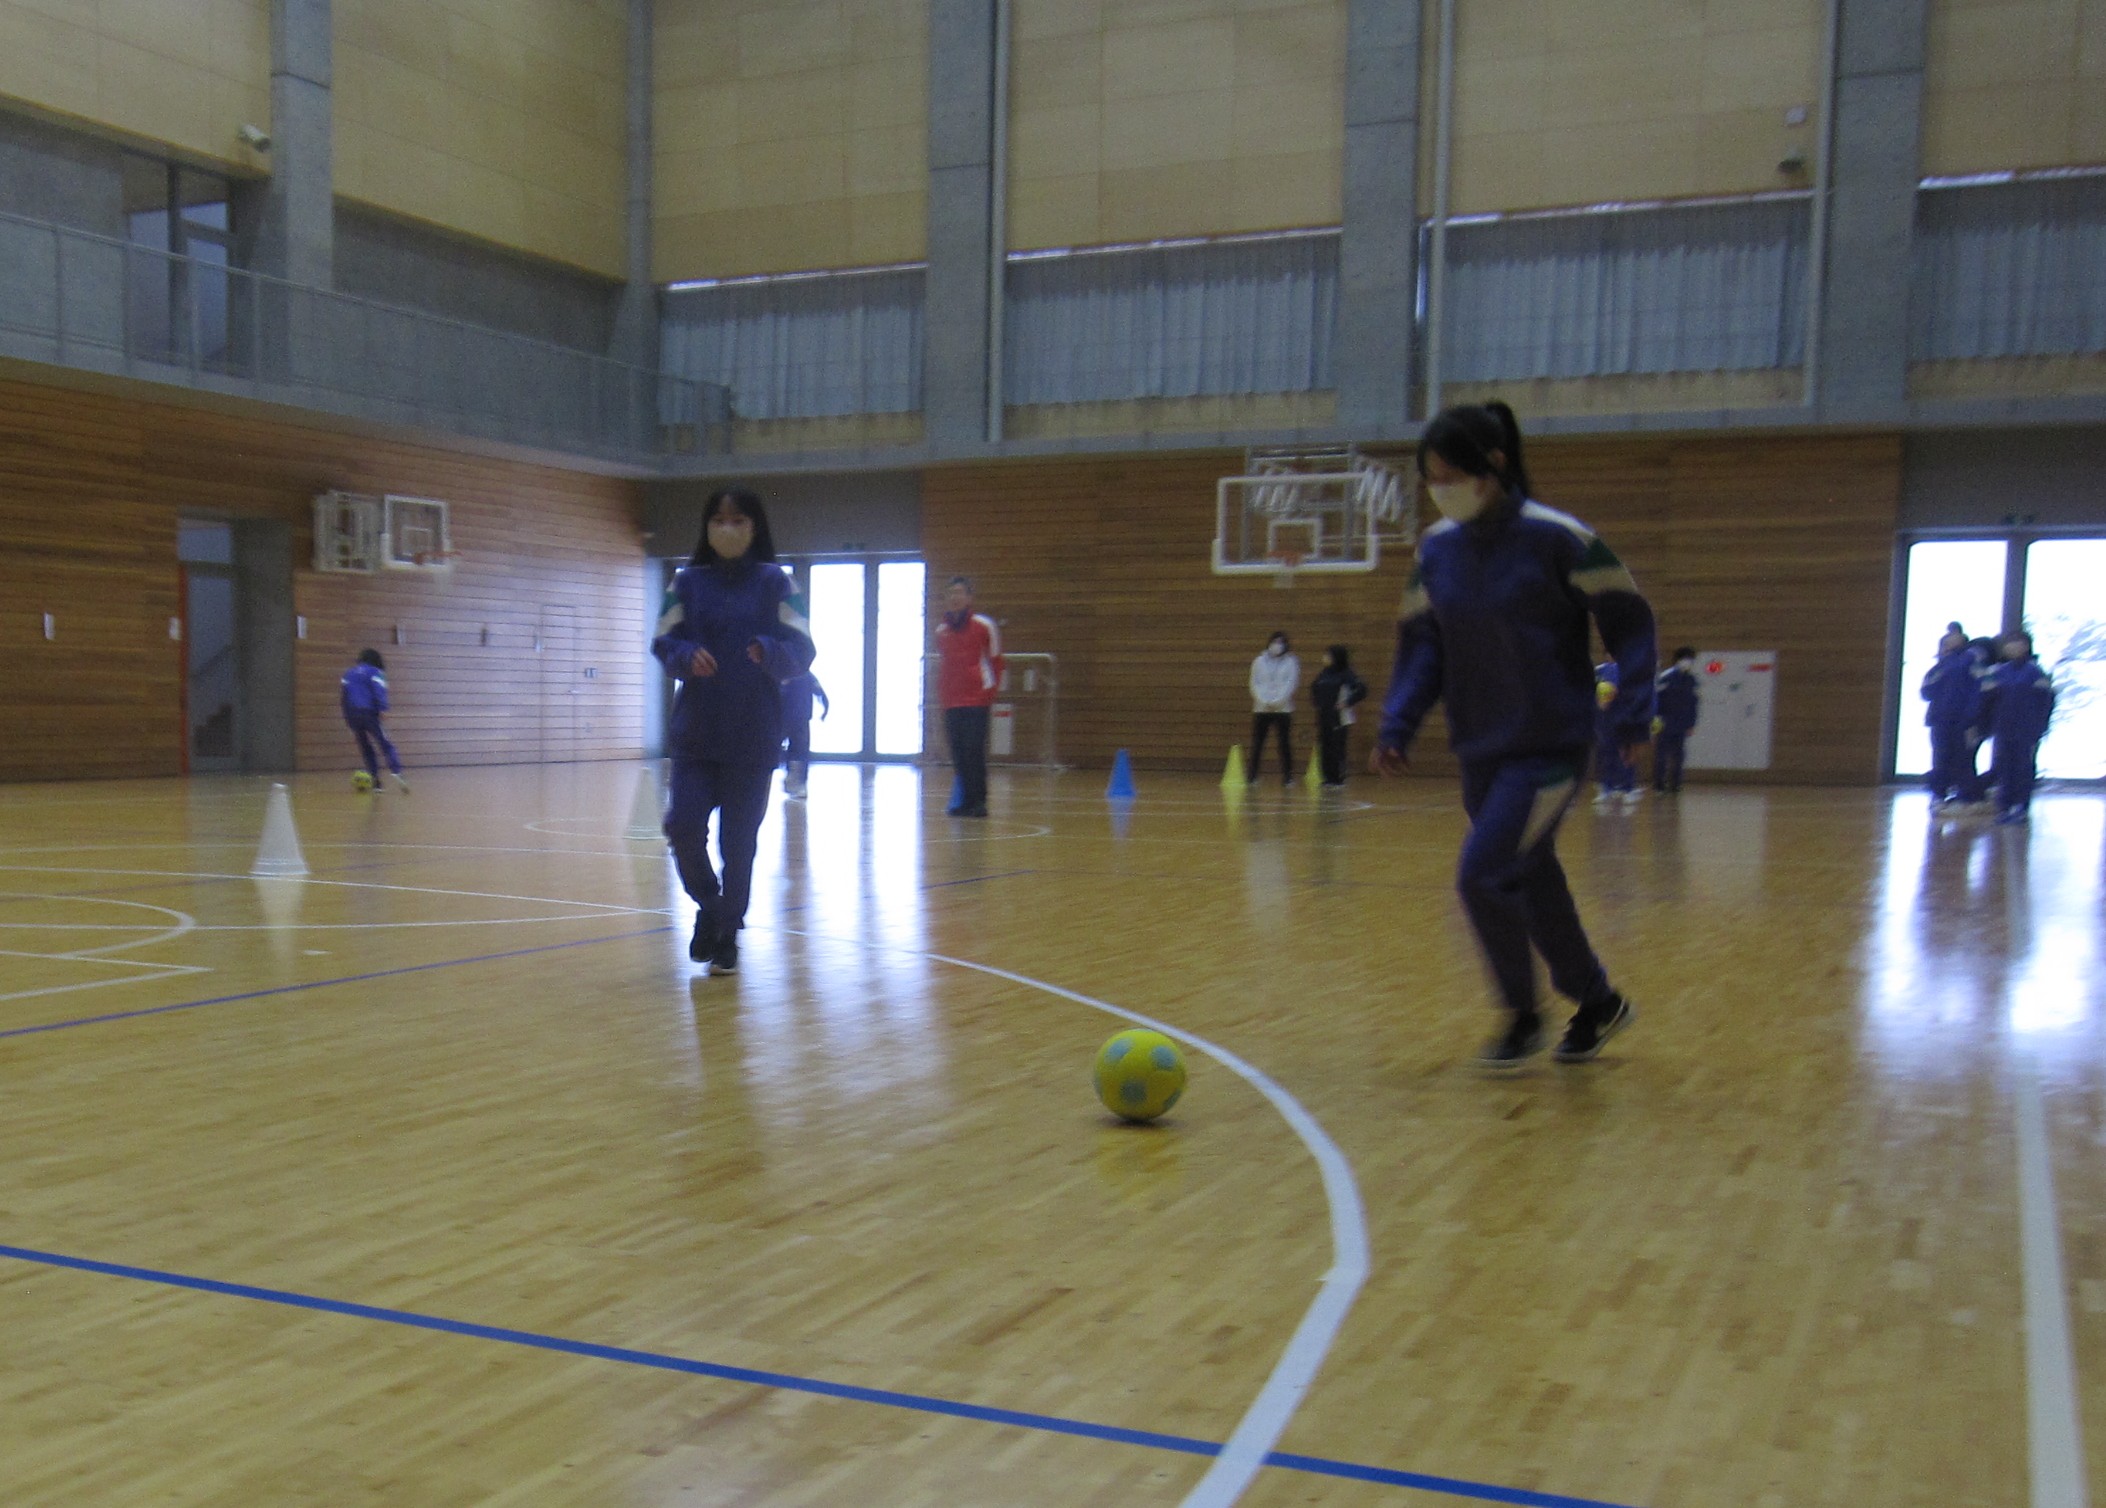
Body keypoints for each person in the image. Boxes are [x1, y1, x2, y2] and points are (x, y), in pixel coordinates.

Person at [1373, 400, 1653, 1068]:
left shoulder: (1559, 538)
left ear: (1493, 465)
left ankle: (1523, 1014)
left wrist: (1634, 711)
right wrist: (1398, 721)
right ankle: (1598, 1002)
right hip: (1481, 750)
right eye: (1431, 479)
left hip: (1550, 747)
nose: (1440, 490)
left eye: (1451, 476)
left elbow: (1629, 617)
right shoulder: (1435, 551)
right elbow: (1422, 646)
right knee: (1529, 877)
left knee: (1481, 874)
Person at [651, 487, 815, 975]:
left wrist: (770, 650)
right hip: (696, 736)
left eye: (737, 519)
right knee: (683, 827)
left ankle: (726, 936)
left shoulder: (777, 583)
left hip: (753, 735)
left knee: (738, 845)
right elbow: (663, 641)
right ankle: (712, 905)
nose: (727, 528)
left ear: (754, 526)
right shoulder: (686, 582)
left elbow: (803, 648)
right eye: (718, 520)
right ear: (706, 527)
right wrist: (685, 656)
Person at [935, 576, 1003, 817]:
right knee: (958, 752)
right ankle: (965, 800)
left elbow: (996, 661)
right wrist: (944, 695)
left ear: (969, 597)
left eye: (959, 592)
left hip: (976, 700)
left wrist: (988, 693)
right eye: (951, 593)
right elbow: (945, 665)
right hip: (952, 701)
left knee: (974, 749)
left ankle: (979, 801)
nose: (955, 597)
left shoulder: (984, 626)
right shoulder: (942, 631)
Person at [1983, 629, 2056, 826]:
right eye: (2009, 643)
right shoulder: (1998, 672)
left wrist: (2041, 726)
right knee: (2004, 767)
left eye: (2017, 643)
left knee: (2023, 767)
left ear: (2026, 646)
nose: (2012, 647)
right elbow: (1987, 700)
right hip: (2003, 727)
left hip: (2027, 728)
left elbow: (2047, 701)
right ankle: (2004, 806)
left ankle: (2020, 806)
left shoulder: (2035, 672)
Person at [1921, 625, 1987, 810]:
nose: (1949, 642)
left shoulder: (1972, 661)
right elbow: (1926, 692)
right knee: (1940, 757)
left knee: (1963, 758)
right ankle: (1939, 795)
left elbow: (1980, 689)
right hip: (1939, 720)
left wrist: (1972, 717)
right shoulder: (1938, 667)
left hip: (1964, 720)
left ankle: (1966, 796)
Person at [340, 648, 409, 792]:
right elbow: (379, 691)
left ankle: (376, 782)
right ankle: (397, 772)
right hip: (370, 713)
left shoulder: (348, 673)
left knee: (366, 747)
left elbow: (344, 698)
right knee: (386, 744)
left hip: (353, 714)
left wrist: (347, 719)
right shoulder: (377, 673)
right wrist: (383, 708)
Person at [1310, 645, 1368, 789]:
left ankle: (1338, 778)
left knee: (1337, 747)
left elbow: (1362, 689)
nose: (1325, 658)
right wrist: (1318, 703)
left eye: (1328, 655)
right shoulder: (1324, 673)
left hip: (1340, 717)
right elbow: (1315, 687)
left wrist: (1347, 702)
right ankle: (1327, 778)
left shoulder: (1346, 673)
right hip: (1324, 715)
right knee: (1325, 747)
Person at [1247, 631, 1301, 786]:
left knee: (1284, 743)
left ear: (1285, 645)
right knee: (1258, 743)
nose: (1277, 645)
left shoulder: (1291, 662)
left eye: (1280, 642)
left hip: (1283, 709)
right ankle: (1252, 776)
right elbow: (1254, 683)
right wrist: (1263, 700)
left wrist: (1277, 701)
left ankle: (1288, 777)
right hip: (1261, 708)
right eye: (1275, 642)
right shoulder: (1259, 661)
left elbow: (1291, 683)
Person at [1592, 660, 1641, 808]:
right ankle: (1606, 788)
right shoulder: (1599, 670)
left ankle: (1628, 788)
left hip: (1626, 719)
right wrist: (1599, 702)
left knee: (1626, 754)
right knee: (1607, 753)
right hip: (1605, 721)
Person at [1652, 646, 1700, 794]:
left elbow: (1694, 703)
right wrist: (1654, 720)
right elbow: (1656, 699)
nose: (1688, 662)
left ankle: (1676, 784)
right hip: (1665, 722)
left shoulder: (1692, 679)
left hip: (1682, 723)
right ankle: (1659, 784)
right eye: (1686, 659)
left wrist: (1691, 724)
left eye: (1691, 660)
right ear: (1678, 660)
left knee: (1679, 756)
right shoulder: (1665, 677)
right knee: (1662, 755)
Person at [780, 670, 828, 798]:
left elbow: (820, 692)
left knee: (798, 751)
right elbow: (820, 692)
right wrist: (825, 706)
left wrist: (825, 707)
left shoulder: (788, 673)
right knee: (800, 751)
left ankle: (796, 781)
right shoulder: (805, 674)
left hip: (792, 719)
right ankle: (796, 782)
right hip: (798, 718)